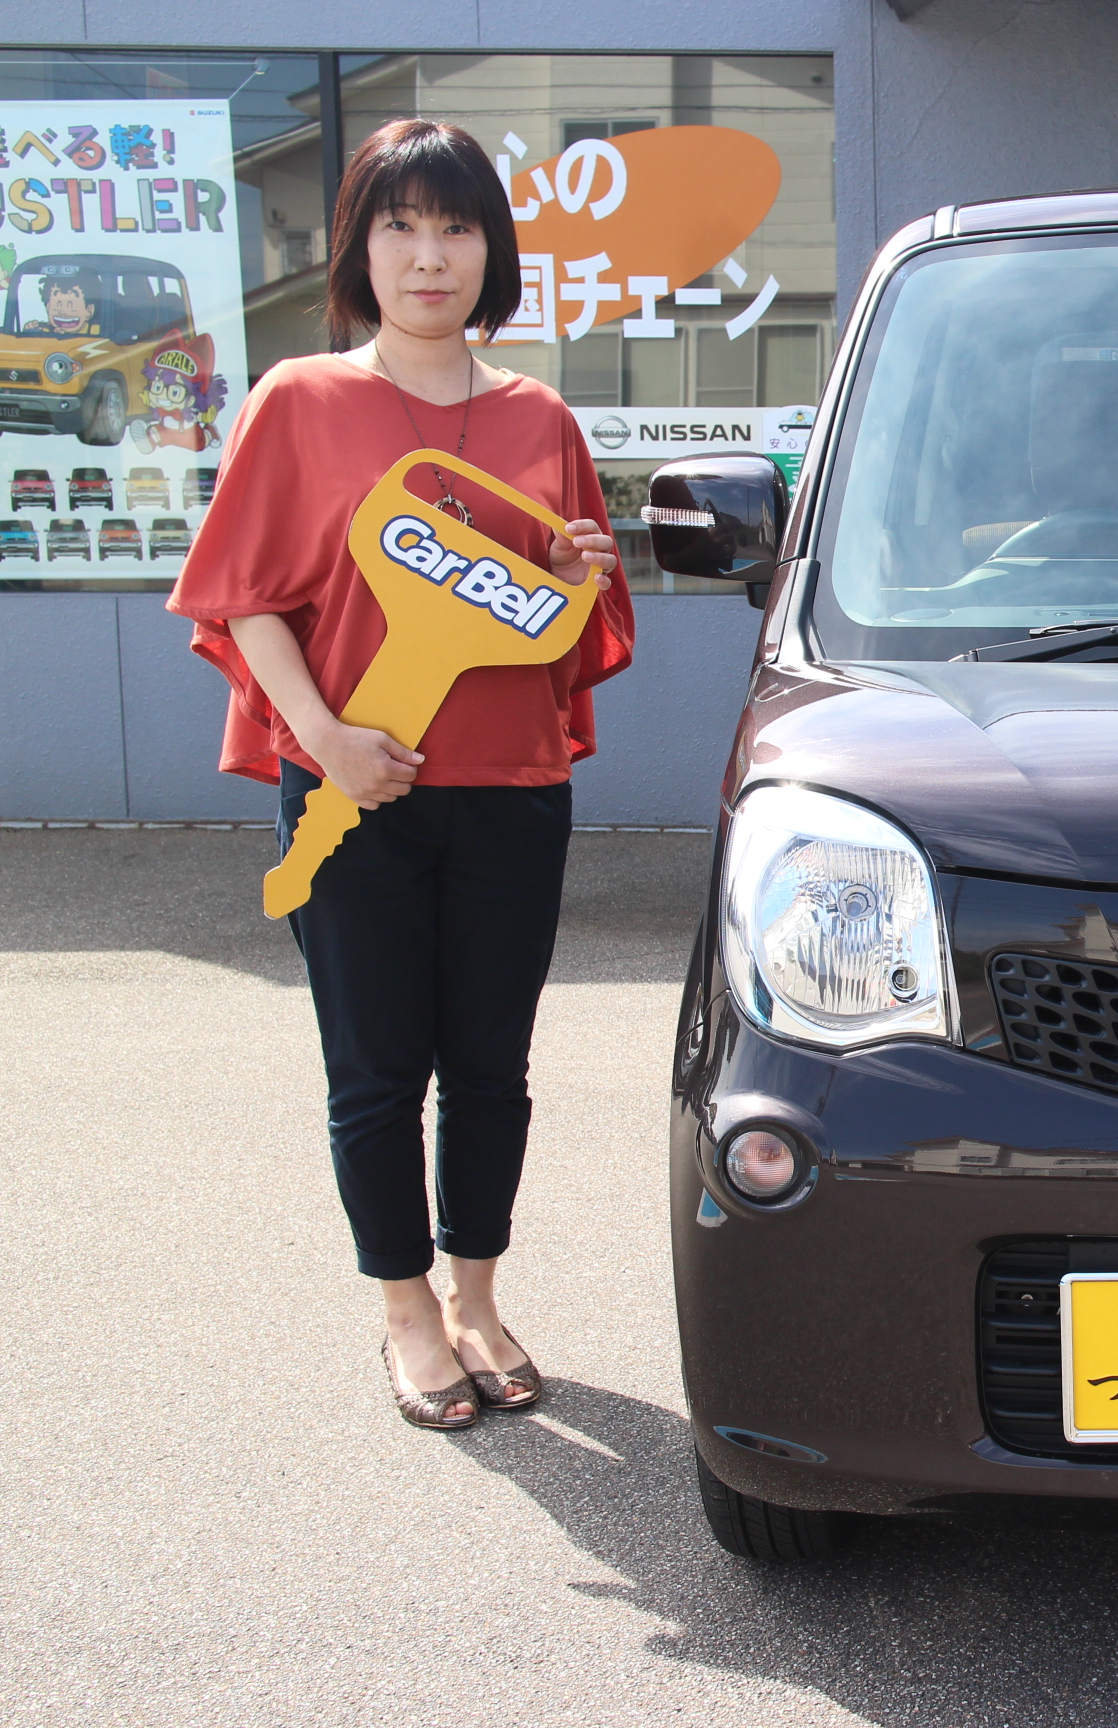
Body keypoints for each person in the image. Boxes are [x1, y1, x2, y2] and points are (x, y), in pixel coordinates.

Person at [166, 118, 635, 1430]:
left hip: (511, 794)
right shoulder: (298, 401)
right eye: (401, 226)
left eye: (456, 227)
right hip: (346, 793)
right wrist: (326, 740)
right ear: (359, 250)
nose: (430, 256)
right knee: (375, 1072)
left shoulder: (538, 417)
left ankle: (478, 1296)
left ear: (492, 250)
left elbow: (566, 635)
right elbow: (244, 594)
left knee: (491, 1068)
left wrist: (577, 576)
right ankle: (407, 1313)